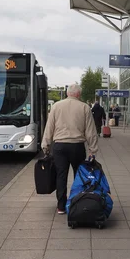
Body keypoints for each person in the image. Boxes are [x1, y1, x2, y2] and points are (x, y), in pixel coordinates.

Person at [42, 84, 99, 214]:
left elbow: (49, 127)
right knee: (79, 175)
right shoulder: (84, 107)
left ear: (68, 93)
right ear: (78, 94)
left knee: (61, 176)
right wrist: (92, 150)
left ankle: (61, 206)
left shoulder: (56, 106)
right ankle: (77, 202)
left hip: (60, 146)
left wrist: (46, 145)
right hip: (77, 146)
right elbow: (91, 131)